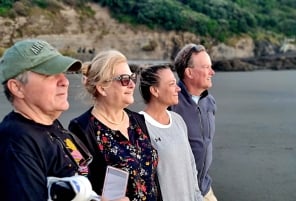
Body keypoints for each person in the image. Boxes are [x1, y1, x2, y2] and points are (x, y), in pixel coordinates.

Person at [0, 39, 128, 201]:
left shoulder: (54, 127)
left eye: (62, 73)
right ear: (17, 87)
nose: (65, 81)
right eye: (50, 74)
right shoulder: (16, 143)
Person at [68, 50, 162, 201]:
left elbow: (153, 178)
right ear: (102, 87)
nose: (132, 84)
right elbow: (81, 187)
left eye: (132, 77)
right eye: (124, 79)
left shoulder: (138, 121)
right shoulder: (82, 129)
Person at [139, 64, 203, 201]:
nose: (178, 88)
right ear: (155, 91)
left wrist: (198, 197)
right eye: (171, 84)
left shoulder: (178, 120)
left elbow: (191, 166)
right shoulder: (139, 127)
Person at [170, 44, 218, 201]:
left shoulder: (209, 102)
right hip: (180, 193)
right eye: (206, 67)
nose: (212, 72)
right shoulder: (170, 102)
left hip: (205, 188)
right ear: (189, 72)